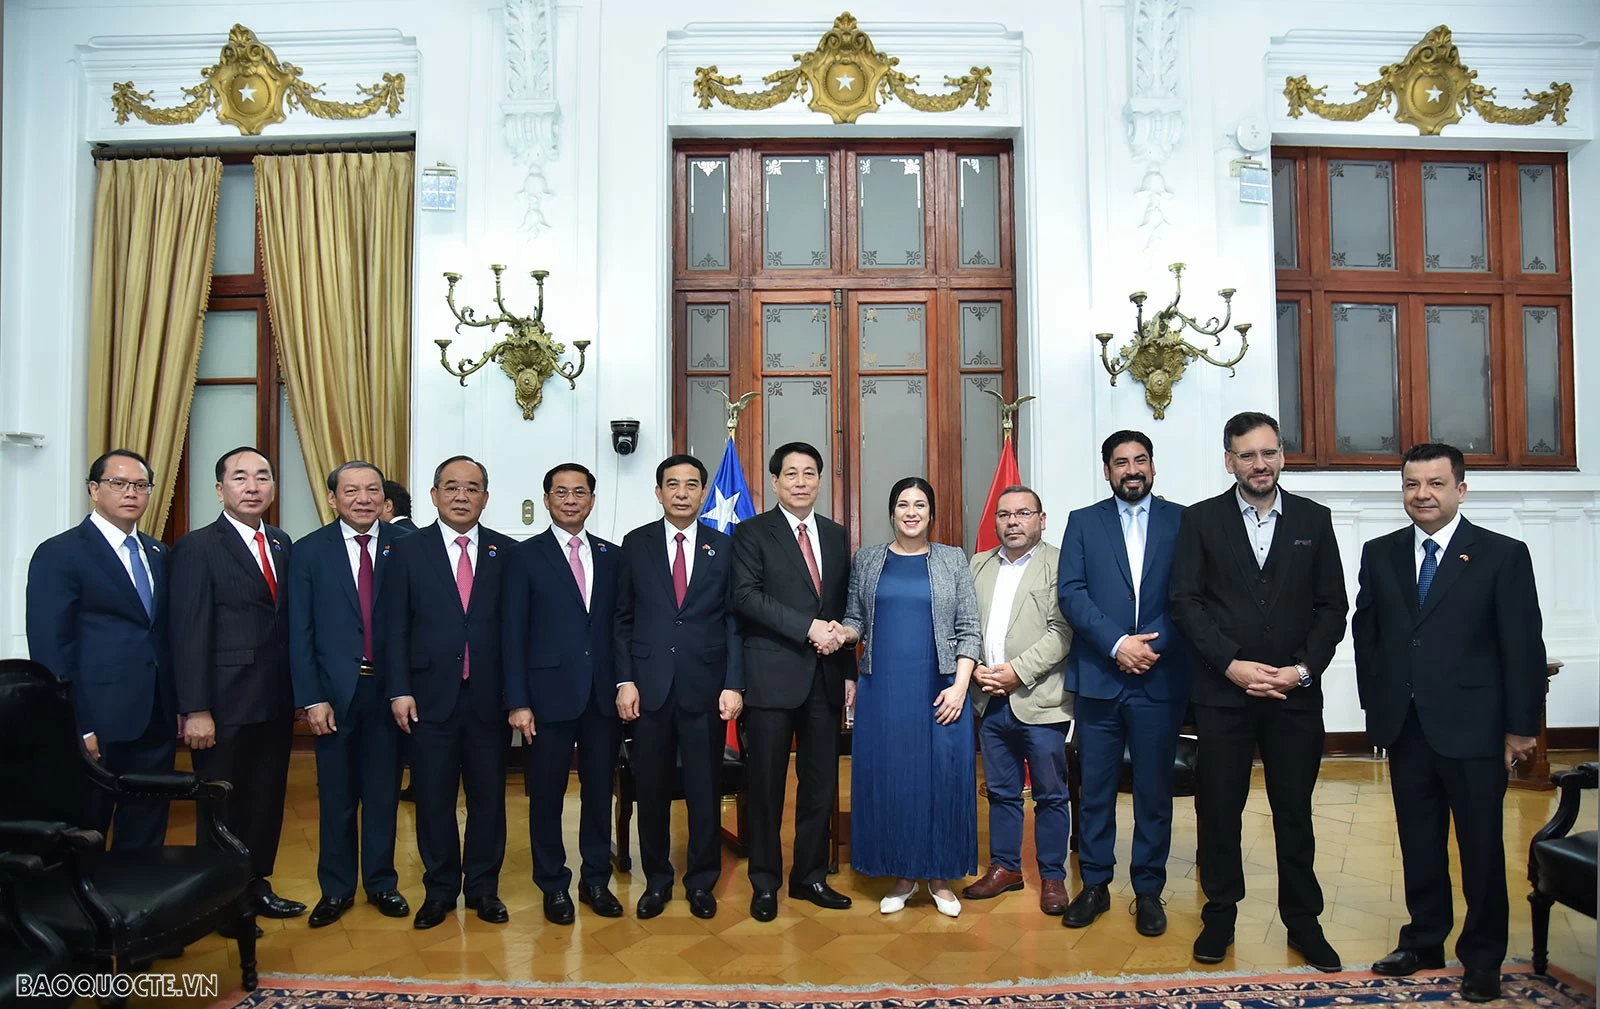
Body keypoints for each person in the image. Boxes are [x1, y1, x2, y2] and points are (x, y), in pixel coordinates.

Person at [1353, 443, 1545, 1004]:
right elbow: (1370, 638)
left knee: (1481, 847)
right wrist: (1376, 710)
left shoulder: (1501, 555)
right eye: (1413, 484)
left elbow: (1522, 647)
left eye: (1435, 484)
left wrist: (1519, 727)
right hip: (1406, 727)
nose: (1422, 495)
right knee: (1418, 842)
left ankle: (1483, 956)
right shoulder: (1380, 552)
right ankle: (1423, 940)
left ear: (1460, 489)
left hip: (1476, 728)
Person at [1169, 412, 1347, 971]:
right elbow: (1185, 603)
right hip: (1224, 696)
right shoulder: (1200, 521)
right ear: (1230, 461)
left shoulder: (1314, 520)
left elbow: (1332, 606)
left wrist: (1301, 671)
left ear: (1282, 455)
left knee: (1293, 811)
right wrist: (1231, 665)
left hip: (1294, 696)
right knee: (1220, 811)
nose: (1259, 463)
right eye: (1247, 455)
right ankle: (1220, 914)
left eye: (1268, 452)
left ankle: (1303, 922)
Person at [1057, 431, 1191, 936]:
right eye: (1120, 462)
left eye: (1139, 460)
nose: (1131, 470)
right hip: (1099, 677)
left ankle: (1149, 891)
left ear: (1153, 466)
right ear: (1106, 470)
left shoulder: (1184, 521)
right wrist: (1118, 644)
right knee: (1096, 789)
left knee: (1155, 791)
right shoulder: (1083, 523)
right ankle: (1094, 884)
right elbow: (1071, 593)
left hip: (1160, 676)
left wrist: (1150, 645)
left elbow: (1191, 594)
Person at [169, 446, 304, 928]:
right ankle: (220, 900)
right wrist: (195, 708)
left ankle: (256, 885)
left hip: (274, 699)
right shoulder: (197, 547)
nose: (253, 486)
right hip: (222, 704)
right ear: (219, 488)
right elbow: (187, 633)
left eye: (262, 477)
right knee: (221, 805)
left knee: (266, 801)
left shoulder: (284, 543)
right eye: (241, 477)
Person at [379, 455, 513, 930]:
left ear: (485, 498)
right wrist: (397, 689)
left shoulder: (505, 552)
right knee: (433, 798)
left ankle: (482, 888)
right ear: (434, 495)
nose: (462, 496)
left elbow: (514, 633)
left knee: (487, 800)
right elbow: (392, 628)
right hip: (427, 697)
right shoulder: (406, 551)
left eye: (472, 488)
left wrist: (516, 698)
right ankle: (439, 891)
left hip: (488, 699)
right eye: (451, 487)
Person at [836, 477, 979, 917]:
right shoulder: (869, 559)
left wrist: (959, 686)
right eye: (903, 504)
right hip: (883, 688)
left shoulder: (954, 560)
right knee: (894, 777)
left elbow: (969, 628)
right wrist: (843, 633)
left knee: (943, 778)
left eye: (920, 504)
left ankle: (939, 877)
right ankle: (901, 873)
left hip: (941, 687)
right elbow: (856, 618)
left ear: (931, 514)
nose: (911, 512)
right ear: (892, 512)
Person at [613, 454, 744, 920]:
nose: (682, 492)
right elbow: (622, 619)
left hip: (706, 688)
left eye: (692, 484)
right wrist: (625, 679)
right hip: (648, 690)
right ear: (658, 492)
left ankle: (702, 882)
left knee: (704, 789)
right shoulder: (636, 544)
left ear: (704, 493)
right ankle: (657, 880)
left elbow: (733, 621)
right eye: (673, 484)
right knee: (651, 788)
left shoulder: (723, 546)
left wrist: (733, 684)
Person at [25, 448, 176, 850]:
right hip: (96, 720)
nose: (131, 493)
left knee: (146, 828)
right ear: (94, 489)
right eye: (118, 483)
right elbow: (50, 648)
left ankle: (140, 909)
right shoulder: (60, 553)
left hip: (154, 716)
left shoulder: (158, 553)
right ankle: (85, 913)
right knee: (85, 831)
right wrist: (77, 723)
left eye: (140, 485)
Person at [730, 441, 855, 921]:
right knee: (765, 787)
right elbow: (745, 596)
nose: (801, 481)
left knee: (821, 785)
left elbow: (841, 608)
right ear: (776, 482)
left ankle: (810, 877)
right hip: (771, 678)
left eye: (809, 473)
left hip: (825, 680)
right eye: (791, 474)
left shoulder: (836, 534)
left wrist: (845, 669)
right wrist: (806, 628)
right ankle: (765, 883)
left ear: (820, 481)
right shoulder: (752, 532)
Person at [288, 460, 410, 928]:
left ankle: (382, 883)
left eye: (372, 490)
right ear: (333, 498)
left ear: (386, 499)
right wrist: (311, 697)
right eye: (352, 491)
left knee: (383, 793)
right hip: (335, 694)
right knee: (336, 797)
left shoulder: (407, 545)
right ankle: (335, 889)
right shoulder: (309, 551)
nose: (363, 498)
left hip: (389, 691)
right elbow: (300, 633)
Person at [504, 463, 624, 924]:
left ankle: (596, 879)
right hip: (546, 696)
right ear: (548, 499)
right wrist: (517, 700)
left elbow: (618, 627)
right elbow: (512, 633)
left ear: (592, 500)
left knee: (598, 792)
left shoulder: (612, 556)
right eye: (561, 492)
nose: (571, 499)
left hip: (601, 697)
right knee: (547, 795)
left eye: (580, 492)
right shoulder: (524, 556)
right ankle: (552, 884)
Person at [963, 485, 1073, 915]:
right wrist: (975, 671)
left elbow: (1062, 632)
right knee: (1002, 792)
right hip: (989, 700)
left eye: (1023, 513)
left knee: (1049, 794)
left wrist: (1016, 672)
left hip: (1040, 700)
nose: (1012, 522)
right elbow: (965, 622)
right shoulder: (978, 565)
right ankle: (1006, 868)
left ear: (1040, 520)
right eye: (1005, 515)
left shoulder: (1059, 564)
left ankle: (1052, 877)